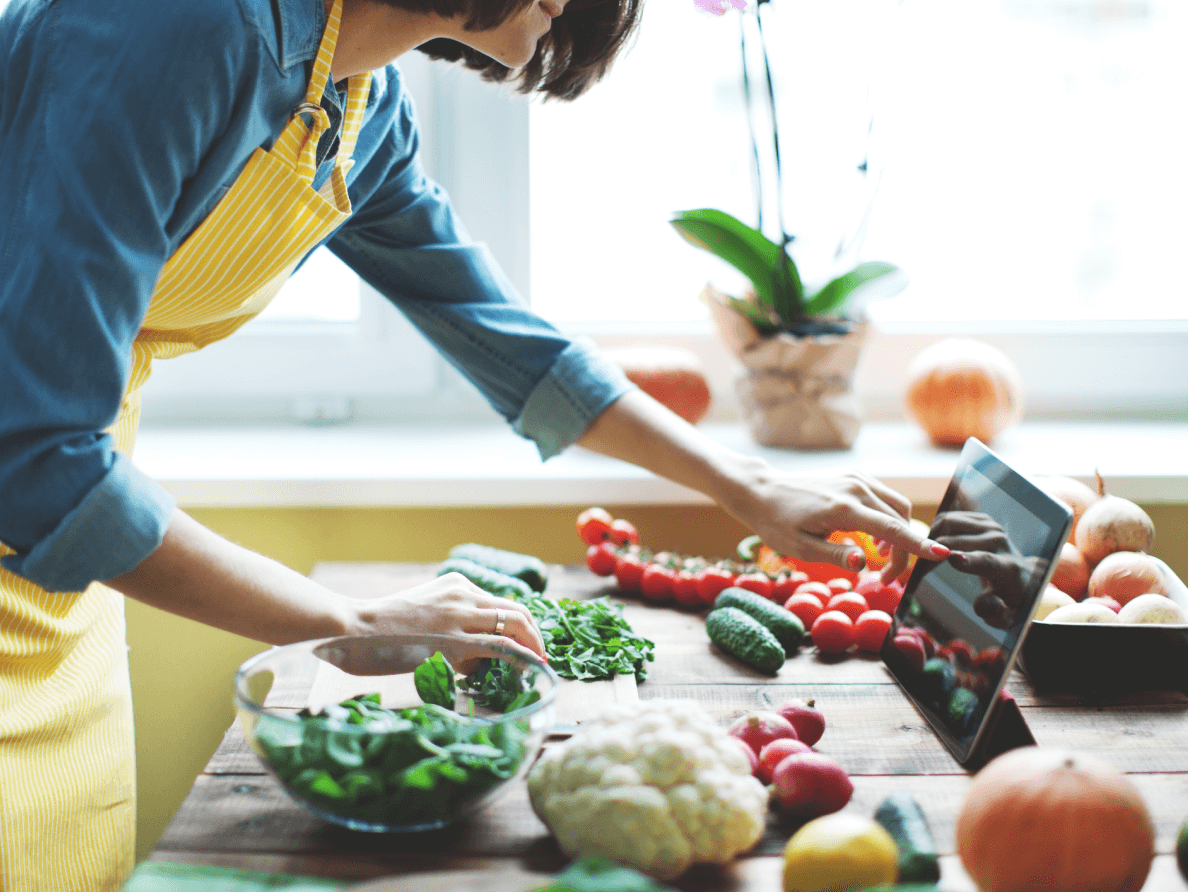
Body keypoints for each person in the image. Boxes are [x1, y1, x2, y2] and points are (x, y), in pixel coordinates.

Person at [0, 0, 949, 888]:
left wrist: (748, 483)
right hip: (47, 492)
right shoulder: (172, 26)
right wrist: (354, 625)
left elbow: (503, 338)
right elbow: (36, 453)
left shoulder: (355, 103)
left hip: (62, 573)